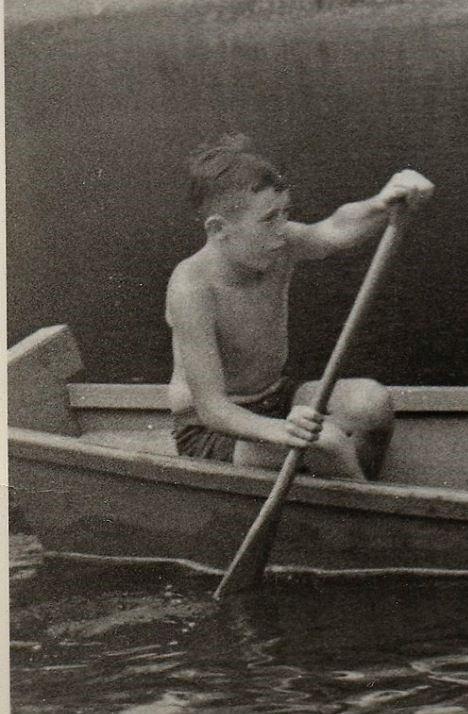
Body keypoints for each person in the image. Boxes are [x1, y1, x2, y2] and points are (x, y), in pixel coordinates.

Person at [165, 134, 432, 479]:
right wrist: (281, 432)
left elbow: (334, 230)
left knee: (373, 404)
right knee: (330, 443)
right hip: (213, 430)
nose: (283, 229)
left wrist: (383, 202)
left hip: (276, 399)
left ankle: (356, 490)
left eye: (285, 213)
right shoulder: (192, 287)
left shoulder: (276, 243)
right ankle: (361, 513)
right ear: (219, 229)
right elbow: (213, 408)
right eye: (269, 219)